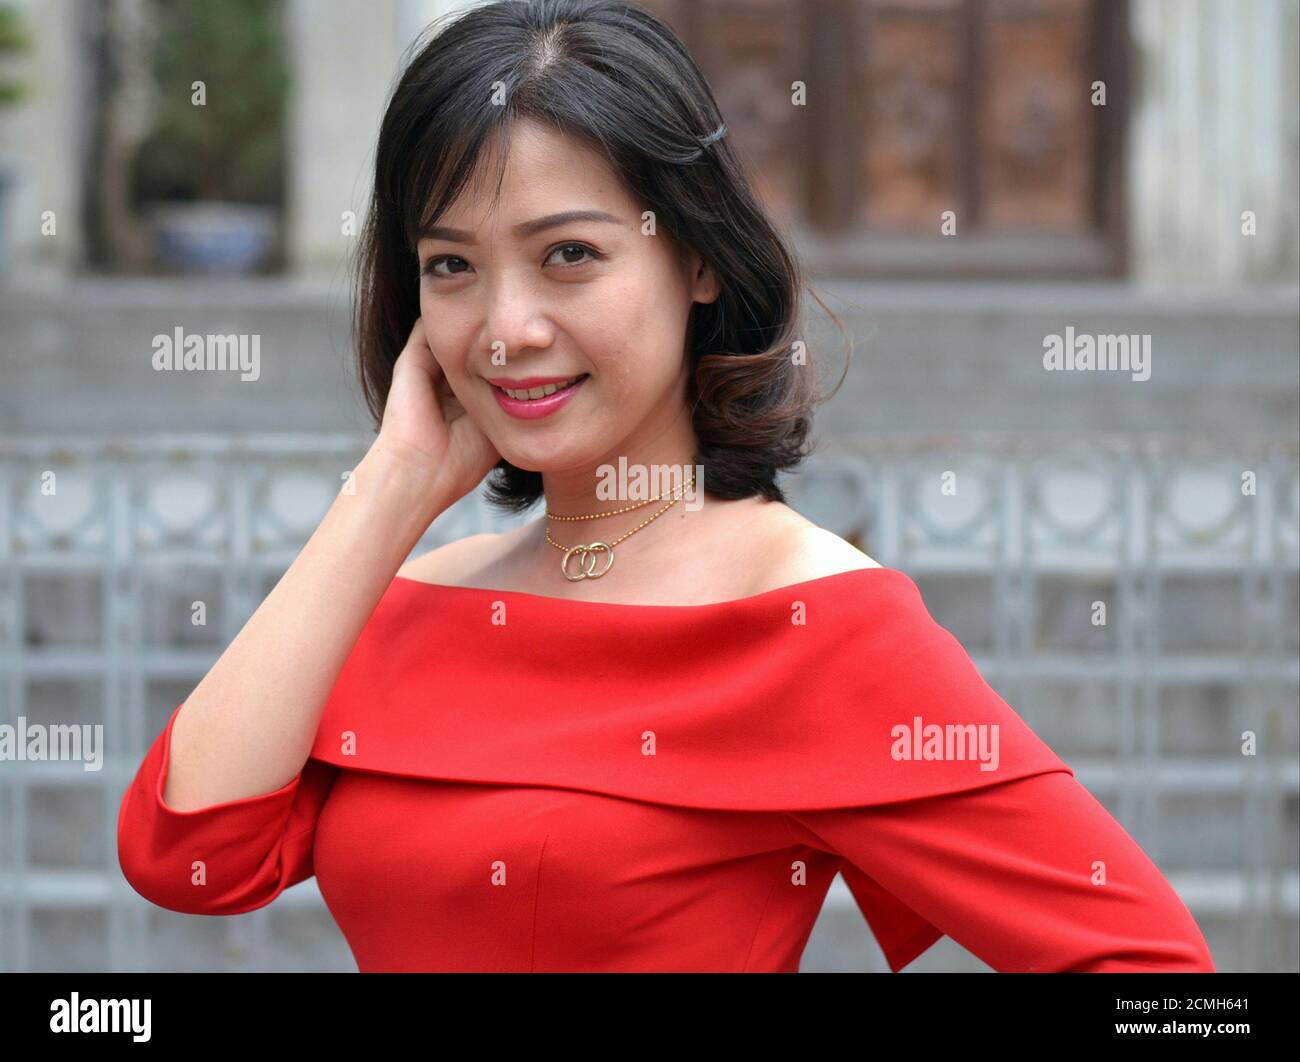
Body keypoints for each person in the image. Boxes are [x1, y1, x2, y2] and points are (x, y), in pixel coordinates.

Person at [116, 0, 1215, 973]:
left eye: (569, 256)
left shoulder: (813, 625)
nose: (506, 331)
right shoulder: (410, 599)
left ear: (696, 258)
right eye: (450, 265)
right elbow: (187, 857)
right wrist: (394, 484)